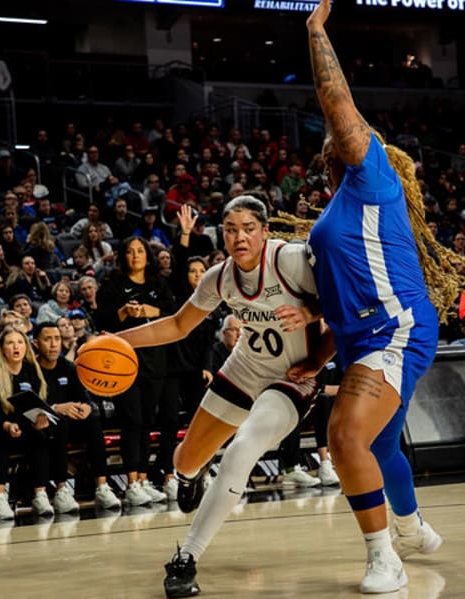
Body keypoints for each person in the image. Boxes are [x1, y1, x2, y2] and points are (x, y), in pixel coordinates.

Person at [298, 2, 465, 592]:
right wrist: (320, 356)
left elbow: (339, 108)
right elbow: (336, 305)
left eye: (345, 136)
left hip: (394, 327)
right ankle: (411, 526)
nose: (337, 139)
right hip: (360, 337)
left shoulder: (373, 177)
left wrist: (316, 33)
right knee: (375, 441)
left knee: (345, 436)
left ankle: (385, 559)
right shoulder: (330, 221)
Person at [110, 196, 322, 597]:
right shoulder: (219, 277)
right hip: (245, 367)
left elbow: (346, 303)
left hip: (295, 375)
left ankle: (186, 557)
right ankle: (193, 478)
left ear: (263, 231)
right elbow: (176, 325)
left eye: (247, 228)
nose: (239, 236)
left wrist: (314, 332)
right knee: (184, 460)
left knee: (242, 450)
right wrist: (115, 340)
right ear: (221, 234)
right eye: (230, 229)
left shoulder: (292, 261)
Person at [97, 236, 174, 506]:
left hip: (156, 361)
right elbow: (101, 320)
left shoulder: (158, 284)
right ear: (122, 256)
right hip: (122, 364)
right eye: (130, 251)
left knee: (146, 422)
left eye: (140, 251)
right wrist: (123, 313)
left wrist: (149, 311)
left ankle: (142, 478)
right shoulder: (112, 285)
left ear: (147, 256)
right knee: (132, 421)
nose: (135, 256)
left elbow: (172, 313)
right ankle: (131, 482)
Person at [0, 327, 68, 519]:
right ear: (2, 348)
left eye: (20, 342)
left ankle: (40, 493)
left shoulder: (32, 370)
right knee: (0, 438)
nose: (16, 347)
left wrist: (41, 417)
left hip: (25, 425)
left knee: (41, 436)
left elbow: (41, 402)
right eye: (10, 343)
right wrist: (5, 424)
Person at [32, 322, 121, 511]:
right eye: (47, 339)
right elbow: (29, 406)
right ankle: (61, 489)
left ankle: (102, 486)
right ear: (36, 343)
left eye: (57, 339)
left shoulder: (68, 367)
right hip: (44, 426)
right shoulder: (30, 369)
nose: (54, 344)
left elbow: (84, 399)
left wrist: (87, 408)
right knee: (61, 422)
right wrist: (56, 408)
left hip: (71, 425)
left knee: (93, 421)